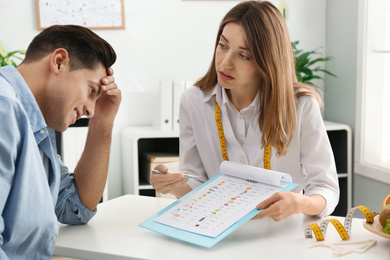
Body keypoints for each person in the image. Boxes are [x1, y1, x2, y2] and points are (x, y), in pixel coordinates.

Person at [151, 0, 339, 221]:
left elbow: (326, 188)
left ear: (267, 61)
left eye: (244, 55)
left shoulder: (301, 106)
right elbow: (197, 182)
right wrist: (173, 185)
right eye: (222, 46)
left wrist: (300, 203)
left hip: (281, 232)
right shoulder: (193, 101)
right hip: (217, 226)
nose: (224, 63)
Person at [0, 25, 121, 259]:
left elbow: (75, 207)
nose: (90, 110)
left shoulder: (37, 124)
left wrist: (104, 121)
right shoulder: (5, 110)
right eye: (91, 90)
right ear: (58, 61)